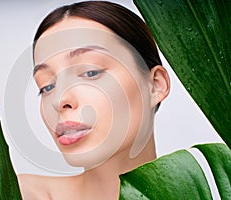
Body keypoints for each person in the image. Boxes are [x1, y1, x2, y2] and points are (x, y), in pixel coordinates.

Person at [18, 1, 170, 199]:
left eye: (90, 72)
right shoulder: (14, 193)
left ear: (156, 85)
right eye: (47, 86)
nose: (60, 100)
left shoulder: (215, 189)